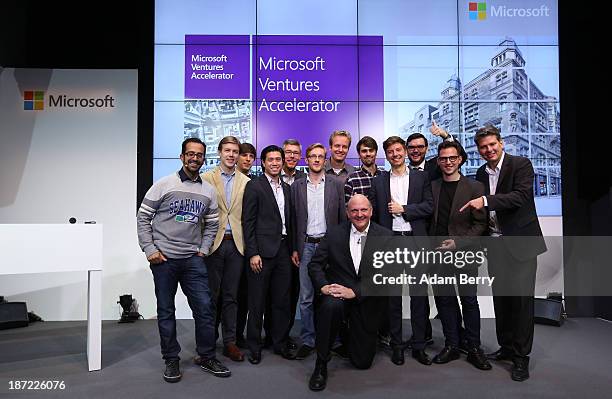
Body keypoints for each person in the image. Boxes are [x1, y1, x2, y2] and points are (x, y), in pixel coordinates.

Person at [137, 137, 230, 382]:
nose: (195, 158)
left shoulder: (208, 191)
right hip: (164, 260)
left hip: (192, 260)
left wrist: (203, 249)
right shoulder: (164, 184)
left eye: (199, 155)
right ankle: (171, 360)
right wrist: (150, 249)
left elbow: (212, 224)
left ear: (203, 158)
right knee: (166, 311)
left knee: (205, 309)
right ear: (182, 157)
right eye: (190, 154)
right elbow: (143, 217)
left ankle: (207, 356)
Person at [460, 125, 546, 382]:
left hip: (520, 245)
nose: (488, 150)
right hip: (494, 245)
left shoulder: (521, 165)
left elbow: (519, 197)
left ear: (501, 143)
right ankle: (507, 346)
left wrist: (485, 201)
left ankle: (521, 358)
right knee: (502, 299)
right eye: (483, 147)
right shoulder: (479, 172)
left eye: (492, 145)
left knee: (521, 302)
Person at [307, 194, 391, 391]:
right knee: (329, 306)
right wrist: (323, 286)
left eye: (363, 210)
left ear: (371, 211)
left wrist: (355, 291)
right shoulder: (335, 234)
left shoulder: (385, 236)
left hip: (366, 298)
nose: (359, 214)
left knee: (362, 362)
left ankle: (347, 336)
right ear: (347, 213)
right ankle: (321, 363)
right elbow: (315, 265)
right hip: (338, 296)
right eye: (354, 210)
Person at [368, 136, 433, 366]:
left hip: (415, 241)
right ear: (386, 155)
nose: (395, 154)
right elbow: (373, 216)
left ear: (405, 151)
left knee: (418, 297)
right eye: (390, 151)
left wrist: (404, 209)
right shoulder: (379, 181)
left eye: (398, 150)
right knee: (393, 297)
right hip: (391, 242)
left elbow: (429, 206)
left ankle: (418, 346)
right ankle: (396, 345)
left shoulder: (421, 177)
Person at [428, 140, 491, 371]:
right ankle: (452, 345)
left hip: (464, 253)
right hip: (437, 254)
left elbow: (480, 224)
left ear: (461, 160)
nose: (448, 162)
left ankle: (474, 348)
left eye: (452, 158)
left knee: (469, 301)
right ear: (438, 161)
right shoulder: (432, 186)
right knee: (444, 300)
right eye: (443, 158)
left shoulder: (475, 188)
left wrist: (458, 243)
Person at [290, 143, 346, 360]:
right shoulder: (296, 186)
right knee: (306, 296)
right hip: (305, 246)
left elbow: (342, 218)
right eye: (312, 156)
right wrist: (295, 247)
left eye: (320, 156)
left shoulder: (335, 185)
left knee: (333, 294)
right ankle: (308, 339)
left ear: (325, 159)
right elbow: (293, 220)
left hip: (329, 246)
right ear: (306, 159)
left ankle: (336, 340)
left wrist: (341, 248)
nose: (316, 160)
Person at [242, 145, 296, 364]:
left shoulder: (287, 188)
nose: (275, 163)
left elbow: (290, 222)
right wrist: (253, 253)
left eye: (278, 159)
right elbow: (248, 222)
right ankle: (254, 346)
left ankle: (279, 342)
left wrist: (293, 248)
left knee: (281, 300)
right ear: (263, 162)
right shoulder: (254, 186)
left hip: (284, 250)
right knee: (257, 302)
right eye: (270, 159)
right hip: (262, 254)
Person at [201, 136, 250, 362]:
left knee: (231, 297)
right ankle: (208, 343)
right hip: (213, 244)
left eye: (235, 151)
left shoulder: (246, 181)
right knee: (211, 297)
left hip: (237, 245)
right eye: (227, 150)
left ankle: (229, 342)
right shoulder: (205, 179)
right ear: (219, 152)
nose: (231, 155)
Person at [235, 141, 256, 347]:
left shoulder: (254, 182)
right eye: (244, 155)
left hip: (248, 246)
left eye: (251, 156)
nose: (248, 159)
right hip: (227, 245)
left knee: (244, 295)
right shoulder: (228, 181)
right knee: (225, 295)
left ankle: (238, 336)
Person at [344, 136, 382, 203]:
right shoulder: (351, 180)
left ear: (376, 153)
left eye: (371, 150)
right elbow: (348, 209)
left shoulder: (385, 175)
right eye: (364, 151)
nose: (368, 154)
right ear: (359, 154)